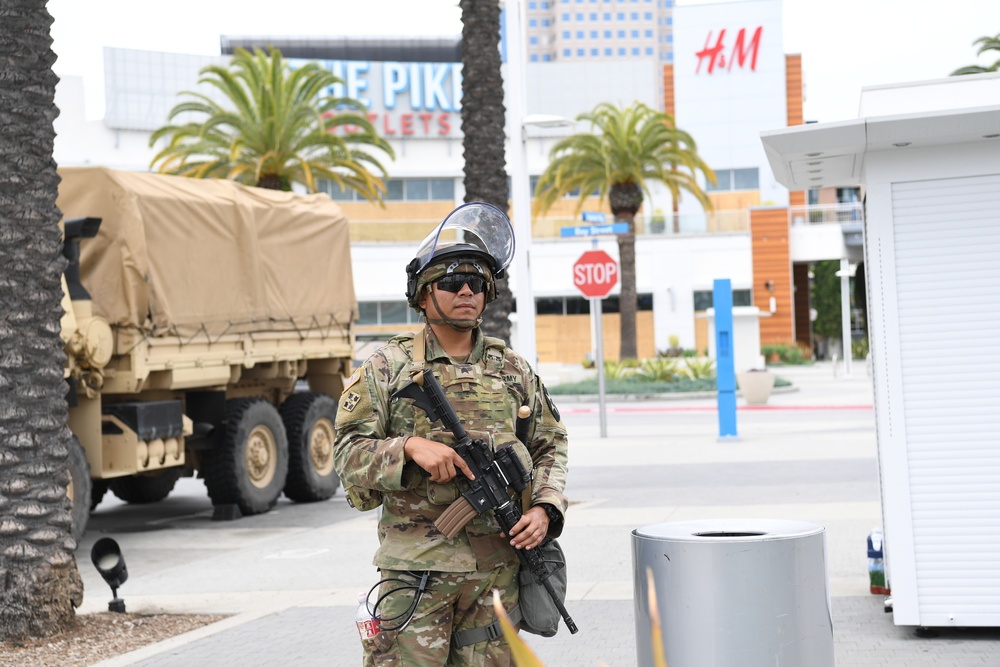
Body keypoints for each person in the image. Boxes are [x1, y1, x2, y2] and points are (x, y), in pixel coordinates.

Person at [333, 202, 569, 667]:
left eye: (477, 283)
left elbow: (550, 445)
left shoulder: (513, 370)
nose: (466, 290)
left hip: (495, 574)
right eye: (451, 282)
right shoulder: (387, 367)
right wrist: (408, 449)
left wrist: (545, 508)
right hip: (417, 572)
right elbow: (345, 453)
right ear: (423, 296)